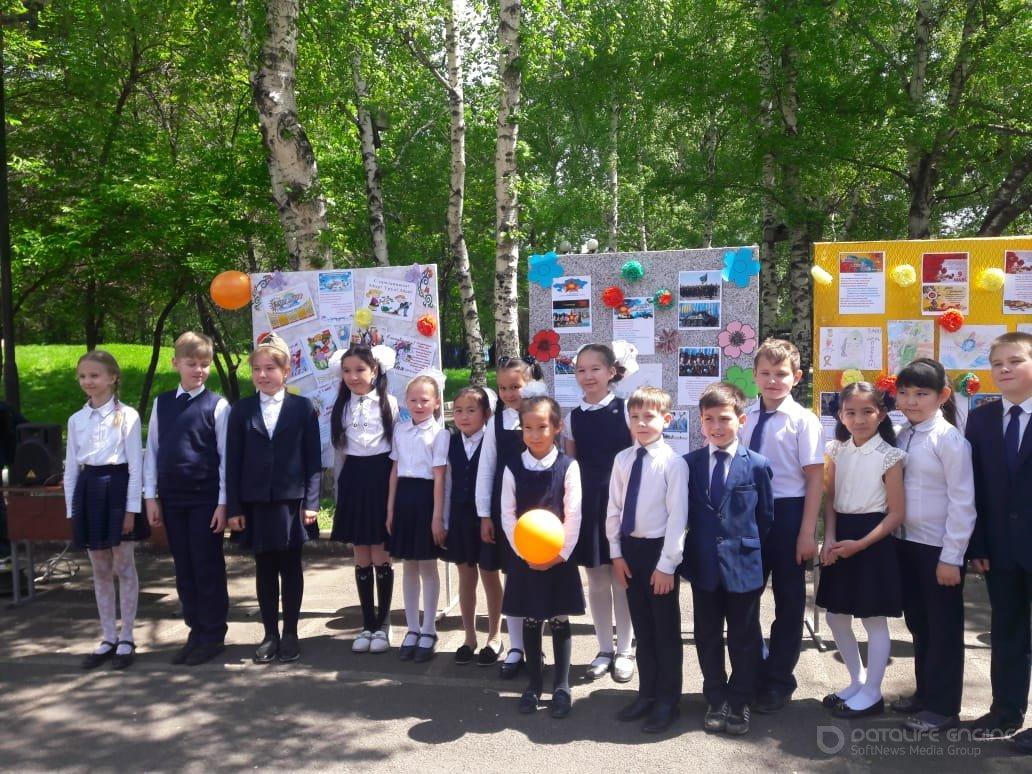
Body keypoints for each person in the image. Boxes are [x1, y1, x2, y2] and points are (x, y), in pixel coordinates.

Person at [680, 382, 773, 736]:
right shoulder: (689, 464)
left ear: (741, 420)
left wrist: (750, 553)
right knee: (706, 634)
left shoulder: (758, 465)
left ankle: (739, 700)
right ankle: (715, 696)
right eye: (709, 419)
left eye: (724, 418)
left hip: (743, 566)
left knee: (744, 636)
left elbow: (765, 518)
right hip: (703, 564)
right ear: (700, 422)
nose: (716, 426)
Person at [738, 339, 823, 713]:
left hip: (789, 514)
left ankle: (779, 680)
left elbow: (815, 479)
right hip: (749, 514)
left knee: (788, 602)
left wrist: (807, 533)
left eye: (781, 374)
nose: (773, 380)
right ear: (755, 376)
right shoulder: (744, 418)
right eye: (766, 373)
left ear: (797, 377)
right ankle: (753, 670)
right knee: (745, 598)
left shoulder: (803, 420)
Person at [226, 334, 322, 664]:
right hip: (255, 503)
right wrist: (234, 507)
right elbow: (233, 461)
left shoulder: (302, 408)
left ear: (286, 371)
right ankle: (270, 634)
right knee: (264, 568)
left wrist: (312, 502)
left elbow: (312, 460)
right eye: (257, 369)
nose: (263, 375)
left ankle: (291, 633)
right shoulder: (241, 410)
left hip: (291, 503)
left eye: (270, 368)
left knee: (291, 567)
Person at [893, 358, 976, 733]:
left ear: (942, 396)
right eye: (904, 392)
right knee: (919, 624)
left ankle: (943, 708)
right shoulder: (904, 434)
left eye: (921, 393)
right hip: (906, 544)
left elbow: (963, 502)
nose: (911, 401)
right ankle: (925, 693)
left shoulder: (949, 440)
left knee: (943, 629)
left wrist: (951, 557)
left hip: (938, 550)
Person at [817, 381, 905, 719]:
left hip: (873, 540)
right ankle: (857, 680)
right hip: (841, 536)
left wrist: (861, 544)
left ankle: (873, 692)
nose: (859, 419)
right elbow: (830, 501)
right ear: (840, 415)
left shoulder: (890, 456)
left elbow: (896, 513)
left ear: (881, 414)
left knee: (873, 618)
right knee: (836, 615)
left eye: (867, 411)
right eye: (850, 412)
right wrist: (830, 539)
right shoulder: (836, 451)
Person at [143, 332, 230, 667]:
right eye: (192, 364)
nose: (199, 370)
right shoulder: (163, 403)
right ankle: (195, 630)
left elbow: (225, 459)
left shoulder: (217, 406)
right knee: (184, 568)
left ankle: (213, 634)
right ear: (175, 363)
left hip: (205, 499)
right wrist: (150, 496)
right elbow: (153, 450)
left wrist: (223, 503)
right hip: (172, 499)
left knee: (207, 566)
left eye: (205, 364)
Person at [607, 386, 689, 733]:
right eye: (635, 416)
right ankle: (647, 693)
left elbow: (678, 517)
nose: (641, 423)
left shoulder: (673, 463)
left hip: (659, 554)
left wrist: (667, 565)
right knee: (642, 626)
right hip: (631, 552)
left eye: (649, 416)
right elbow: (614, 508)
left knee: (665, 631)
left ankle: (668, 700)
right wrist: (616, 553)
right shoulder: (623, 459)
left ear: (666, 420)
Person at [965, 331, 1032, 753]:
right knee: (1007, 632)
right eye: (996, 364)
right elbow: (975, 488)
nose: (1004, 369)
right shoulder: (982, 418)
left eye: (1015, 361)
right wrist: (978, 545)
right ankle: (1005, 711)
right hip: (1001, 550)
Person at [64, 350, 150, 670]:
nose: (88, 381)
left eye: (95, 375)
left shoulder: (127, 416)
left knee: (123, 566)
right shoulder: (76, 420)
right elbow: (71, 469)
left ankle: (127, 636)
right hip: (88, 492)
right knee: (99, 567)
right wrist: (73, 510)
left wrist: (130, 509)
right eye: (83, 376)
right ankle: (108, 636)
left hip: (117, 489)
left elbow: (136, 467)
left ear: (112, 378)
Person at [501, 394, 583, 718]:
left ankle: (562, 686)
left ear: (557, 428)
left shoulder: (568, 467)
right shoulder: (513, 467)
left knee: (559, 618)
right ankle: (534, 684)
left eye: (542, 427)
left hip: (558, 560)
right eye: (528, 428)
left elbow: (573, 514)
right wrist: (524, 554)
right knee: (531, 619)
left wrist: (559, 555)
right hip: (526, 558)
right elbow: (507, 514)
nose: (535, 434)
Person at [563, 343, 635, 683]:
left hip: (621, 503)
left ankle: (625, 650)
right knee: (596, 579)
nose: (588, 376)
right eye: (581, 369)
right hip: (589, 504)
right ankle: (604, 648)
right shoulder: (572, 418)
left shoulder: (626, 411)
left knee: (621, 578)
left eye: (595, 369)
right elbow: (571, 465)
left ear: (611, 372)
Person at [475, 356, 544, 676]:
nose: (509, 393)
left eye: (515, 386)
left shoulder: (542, 417)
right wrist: (484, 514)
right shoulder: (495, 422)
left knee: (536, 577)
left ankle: (536, 645)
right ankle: (516, 646)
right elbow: (486, 468)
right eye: (502, 388)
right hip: (504, 511)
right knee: (513, 577)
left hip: (538, 509)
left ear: (530, 384)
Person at [329, 345, 399, 654]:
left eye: (360, 370)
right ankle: (367, 623)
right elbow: (339, 454)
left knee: (380, 552)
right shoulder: (341, 407)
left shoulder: (389, 403)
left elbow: (396, 450)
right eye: (347, 371)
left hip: (381, 478)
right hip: (354, 480)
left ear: (375, 371)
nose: (353, 376)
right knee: (361, 554)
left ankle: (383, 624)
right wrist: (339, 491)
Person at [387, 372, 449, 663]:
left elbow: (440, 477)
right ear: (405, 401)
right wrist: (390, 509)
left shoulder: (440, 434)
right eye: (413, 400)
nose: (419, 405)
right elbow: (394, 471)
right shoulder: (400, 430)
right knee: (408, 566)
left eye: (425, 400)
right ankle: (411, 628)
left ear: (436, 402)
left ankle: (429, 629)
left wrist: (437, 516)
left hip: (426, 499)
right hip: (404, 499)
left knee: (427, 565)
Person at [442, 386, 504, 665]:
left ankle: (494, 636)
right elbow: (447, 483)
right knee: (466, 578)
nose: (464, 416)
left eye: (471, 410)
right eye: (458, 411)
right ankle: (469, 637)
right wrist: (443, 520)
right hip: (459, 518)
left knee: (490, 575)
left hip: (486, 519)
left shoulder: (493, 441)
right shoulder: (450, 442)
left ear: (486, 414)